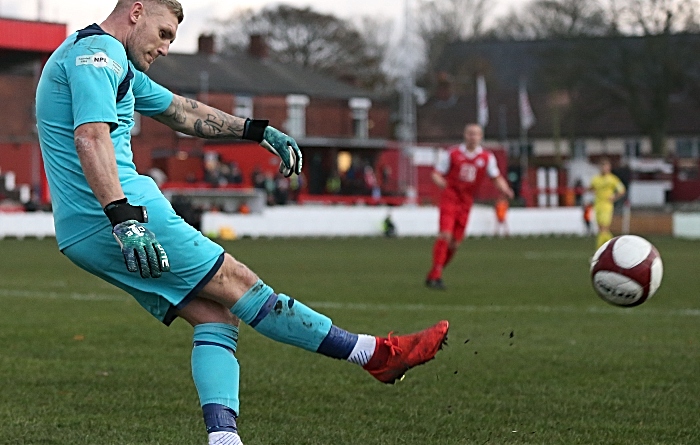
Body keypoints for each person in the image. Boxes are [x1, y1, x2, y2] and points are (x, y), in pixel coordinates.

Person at [34, 2, 449, 444]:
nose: (167, 47)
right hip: (122, 214)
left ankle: (224, 439)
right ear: (136, 11)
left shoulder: (113, 64)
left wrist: (256, 131)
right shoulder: (98, 54)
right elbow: (91, 135)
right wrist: (125, 218)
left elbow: (181, 111)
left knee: (217, 316)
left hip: (85, 228)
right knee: (241, 285)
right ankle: (375, 355)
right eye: (164, 33)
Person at [426, 123, 514, 290]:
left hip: (466, 201)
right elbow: (436, 173)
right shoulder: (452, 154)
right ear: (465, 135)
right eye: (470, 133)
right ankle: (437, 275)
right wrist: (442, 183)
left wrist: (506, 189)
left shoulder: (487, 157)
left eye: (476, 134)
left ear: (481, 137)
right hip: (450, 198)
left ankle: (434, 273)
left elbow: (496, 177)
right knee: (445, 234)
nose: (472, 137)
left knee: (455, 244)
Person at [588, 158, 626, 249]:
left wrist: (614, 197)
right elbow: (591, 188)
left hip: (607, 205)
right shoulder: (595, 179)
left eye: (606, 166)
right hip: (598, 205)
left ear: (609, 168)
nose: (604, 168)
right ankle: (614, 246)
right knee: (602, 229)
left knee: (603, 228)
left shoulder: (613, 179)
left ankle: (599, 249)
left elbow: (622, 190)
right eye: (602, 166)